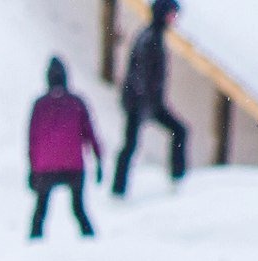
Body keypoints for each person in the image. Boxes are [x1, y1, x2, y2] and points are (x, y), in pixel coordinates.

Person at [112, 0, 188, 196]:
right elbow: (141, 75)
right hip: (140, 103)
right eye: (172, 14)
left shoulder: (153, 35)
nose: (174, 19)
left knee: (177, 132)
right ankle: (119, 190)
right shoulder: (150, 38)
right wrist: (145, 104)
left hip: (146, 102)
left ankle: (120, 188)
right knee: (131, 145)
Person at [27, 57, 101, 239]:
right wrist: (99, 160)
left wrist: (32, 170)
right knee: (79, 209)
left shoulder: (40, 105)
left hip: (45, 168)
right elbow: (90, 134)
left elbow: (32, 140)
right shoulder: (76, 102)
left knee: (40, 213)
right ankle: (93, 244)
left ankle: (33, 250)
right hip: (73, 167)